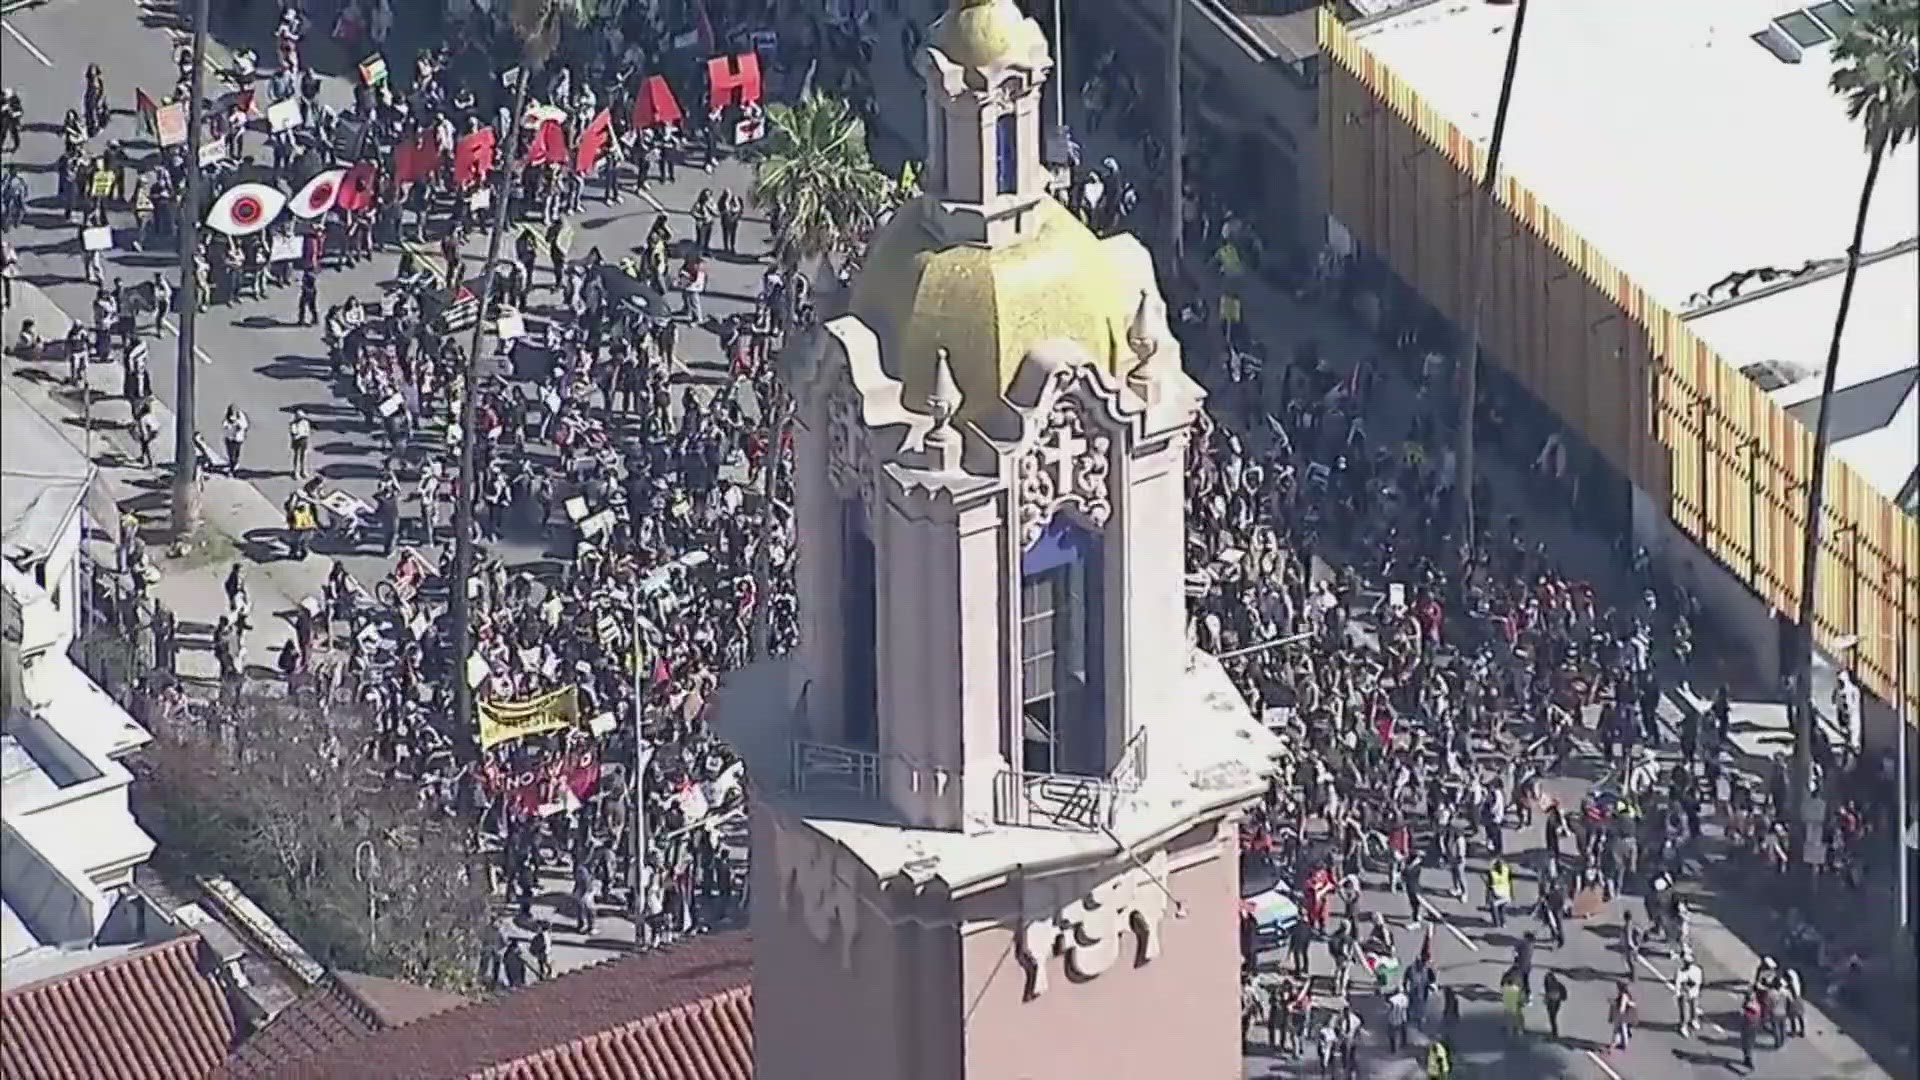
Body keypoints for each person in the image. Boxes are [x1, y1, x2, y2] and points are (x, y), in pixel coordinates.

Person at [1675, 947, 1704, 1037]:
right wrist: (1679, 993)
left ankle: (1694, 1020)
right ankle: (1683, 1026)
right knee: (1684, 1012)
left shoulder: (1697, 970)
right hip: (1684, 995)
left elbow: (1699, 981)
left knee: (1694, 1008)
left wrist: (1691, 986)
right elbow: (1678, 984)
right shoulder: (1680, 972)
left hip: (1694, 993)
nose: (1686, 965)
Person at [1607, 980, 1637, 1050]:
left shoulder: (1624, 996)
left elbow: (1622, 1008)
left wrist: (1614, 1004)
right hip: (1627, 1015)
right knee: (1621, 1029)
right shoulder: (1625, 995)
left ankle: (1620, 1044)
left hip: (1625, 1016)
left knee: (1621, 1029)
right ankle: (1618, 1043)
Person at [222, 404, 250, 475]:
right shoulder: (228, 417)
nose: (233, 412)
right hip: (229, 438)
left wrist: (238, 423)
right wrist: (229, 425)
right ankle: (232, 468)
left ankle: (234, 466)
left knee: (236, 453)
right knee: (231, 455)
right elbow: (224, 424)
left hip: (238, 438)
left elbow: (245, 425)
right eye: (232, 411)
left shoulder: (241, 416)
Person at [1541, 969, 1568, 1041]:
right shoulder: (1558, 984)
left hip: (1552, 1002)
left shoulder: (1548, 985)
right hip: (1557, 1002)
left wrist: (1546, 998)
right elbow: (1564, 994)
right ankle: (1554, 1032)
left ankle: (1554, 1033)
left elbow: (1548, 994)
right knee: (1553, 1018)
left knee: (1552, 1018)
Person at [288, 407, 312, 479]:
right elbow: (294, 434)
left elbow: (307, 432)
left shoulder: (305, 422)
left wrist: (301, 434)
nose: (301, 419)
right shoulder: (293, 424)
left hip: (304, 441)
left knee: (303, 457)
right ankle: (296, 472)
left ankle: (303, 471)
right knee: (297, 457)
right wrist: (301, 434)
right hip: (297, 442)